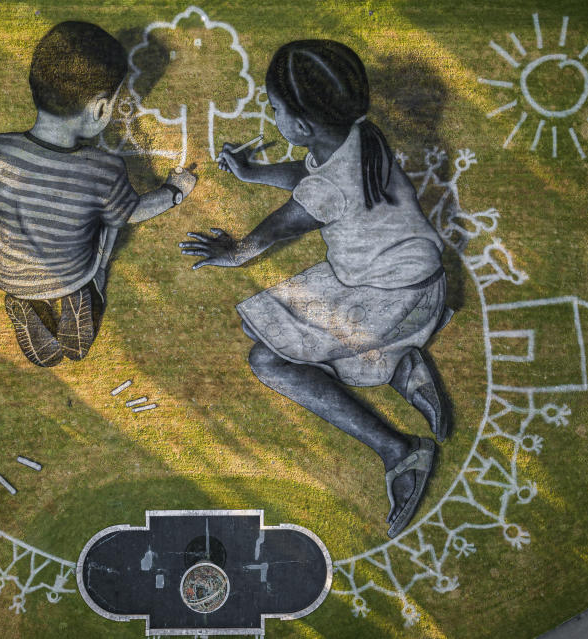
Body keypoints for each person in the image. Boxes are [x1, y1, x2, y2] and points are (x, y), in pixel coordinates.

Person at [180, 40, 451, 537]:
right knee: (272, 321)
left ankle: (401, 450)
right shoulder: (363, 136)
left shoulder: (331, 186)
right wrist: (255, 172)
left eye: (275, 108)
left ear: (301, 126)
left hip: (389, 298)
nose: (272, 115)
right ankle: (400, 366)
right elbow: (312, 176)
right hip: (416, 282)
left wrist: (230, 253)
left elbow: (281, 226)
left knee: (268, 359)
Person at [0, 21, 197, 367]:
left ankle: (25, 305)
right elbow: (133, 212)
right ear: (100, 110)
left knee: (13, 219)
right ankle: (86, 294)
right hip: (69, 274)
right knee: (110, 220)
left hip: (3, 273)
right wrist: (175, 191)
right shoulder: (102, 169)